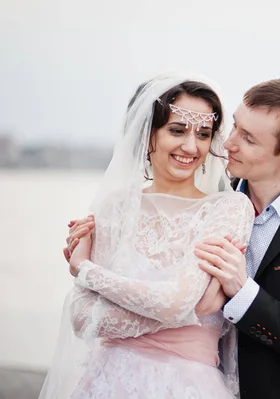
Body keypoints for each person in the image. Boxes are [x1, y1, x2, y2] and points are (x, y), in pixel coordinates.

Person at [66, 76, 280, 399]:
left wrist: (245, 296)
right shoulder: (215, 195)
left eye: (248, 139)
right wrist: (98, 263)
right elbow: (90, 312)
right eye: (235, 126)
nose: (227, 144)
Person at [42, 73, 254, 399]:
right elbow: (83, 319)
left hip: (188, 387)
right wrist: (185, 312)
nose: (191, 146)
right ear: (148, 132)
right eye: (177, 130)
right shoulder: (116, 208)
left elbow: (175, 302)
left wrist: (85, 269)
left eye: (203, 134)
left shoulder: (228, 208)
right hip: (105, 382)